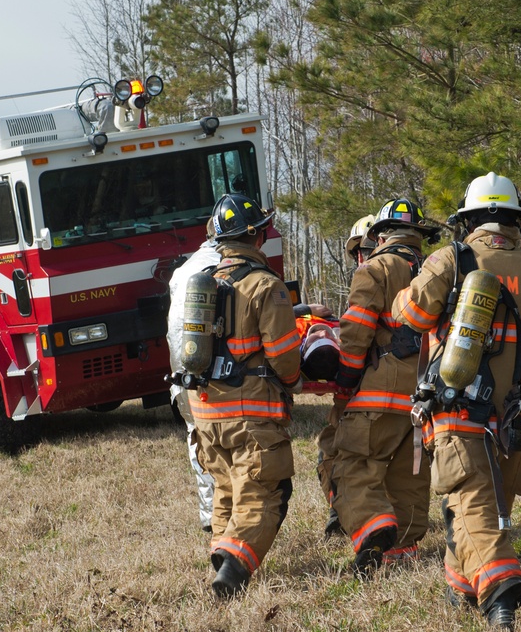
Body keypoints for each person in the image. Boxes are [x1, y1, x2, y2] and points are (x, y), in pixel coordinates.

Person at [394, 172, 521, 630]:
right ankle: (460, 587)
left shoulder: (451, 259)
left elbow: (410, 316)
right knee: (478, 510)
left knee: (471, 504)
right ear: (515, 219)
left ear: (468, 219)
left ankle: (501, 586)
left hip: (461, 407)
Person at [187, 194, 302, 598]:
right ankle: (233, 572)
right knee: (265, 489)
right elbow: (285, 357)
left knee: (226, 487)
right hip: (250, 412)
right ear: (256, 235)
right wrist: (292, 380)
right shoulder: (265, 286)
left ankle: (222, 553)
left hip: (204, 413)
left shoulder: (203, 285)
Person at [331, 199, 440, 577]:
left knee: (351, 464)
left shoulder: (373, 268)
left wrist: (344, 383)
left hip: (381, 387)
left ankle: (374, 528)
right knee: (408, 471)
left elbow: (357, 331)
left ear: (377, 236)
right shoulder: (438, 271)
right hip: (428, 390)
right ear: (418, 237)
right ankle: (404, 548)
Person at [316, 214, 378, 538]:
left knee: (332, 449)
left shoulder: (372, 278)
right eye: (356, 252)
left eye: (364, 249)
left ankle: (341, 517)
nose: (359, 257)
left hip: (367, 389)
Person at [166, 224, 221, 533]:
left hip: (184, 375)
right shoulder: (226, 266)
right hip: (218, 377)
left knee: (197, 439)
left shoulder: (185, 270)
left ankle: (210, 515)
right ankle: (227, 520)